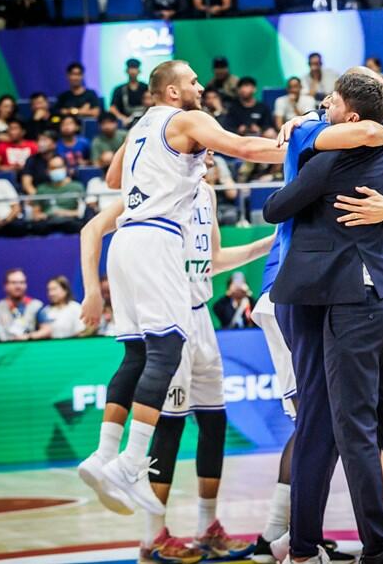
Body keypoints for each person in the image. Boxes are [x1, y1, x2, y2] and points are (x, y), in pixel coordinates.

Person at [264, 71, 383, 563]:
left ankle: (381, 545)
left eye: (333, 104)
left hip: (349, 308)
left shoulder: (328, 158)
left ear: (349, 116)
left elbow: (274, 207)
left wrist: (303, 172)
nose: (325, 108)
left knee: (352, 432)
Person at [80, 59, 286, 517]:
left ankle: (105, 455)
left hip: (127, 243)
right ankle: (130, 462)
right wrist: (299, 149)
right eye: (191, 81)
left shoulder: (141, 127)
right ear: (172, 92)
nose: (200, 86)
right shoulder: (187, 118)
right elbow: (244, 148)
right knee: (168, 347)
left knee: (137, 352)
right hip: (157, 239)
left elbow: (115, 180)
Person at [247, 69, 383, 561]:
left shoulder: (333, 134)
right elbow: (364, 132)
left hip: (326, 287)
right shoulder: (312, 130)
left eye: (333, 98)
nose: (325, 101)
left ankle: (298, 541)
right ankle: (292, 539)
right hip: (298, 284)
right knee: (320, 416)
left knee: (322, 418)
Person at [79, 184, 274, 561]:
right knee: (169, 425)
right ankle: (152, 538)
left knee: (214, 422)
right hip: (168, 315)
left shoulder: (207, 193)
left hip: (201, 314)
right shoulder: (154, 184)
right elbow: (91, 230)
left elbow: (213, 259)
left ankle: (207, 528)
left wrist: (269, 243)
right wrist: (92, 291)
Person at [0, 269, 45, 342]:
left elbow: (47, 330)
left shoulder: (36, 305)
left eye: (22, 282)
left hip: (29, 348)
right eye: (14, 283)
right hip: (5, 349)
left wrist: (29, 336)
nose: (18, 286)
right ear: (5, 286)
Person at [31, 155, 86, 235]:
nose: (56, 170)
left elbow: (80, 212)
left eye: (59, 167)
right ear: (47, 171)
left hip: (69, 220)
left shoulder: (77, 187)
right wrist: (43, 215)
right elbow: (35, 213)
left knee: (79, 225)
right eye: (53, 168)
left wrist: (63, 212)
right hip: (48, 221)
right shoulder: (41, 189)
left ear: (65, 168)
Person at [110, 58, 147, 125]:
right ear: (126, 71)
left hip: (145, 121)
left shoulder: (146, 88)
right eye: (131, 68)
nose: (133, 71)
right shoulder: (119, 89)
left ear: (139, 71)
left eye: (135, 68)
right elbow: (113, 108)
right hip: (125, 123)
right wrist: (122, 118)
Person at [21, 130, 58, 195]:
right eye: (39, 140)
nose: (40, 143)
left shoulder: (59, 159)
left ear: (54, 144)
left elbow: (66, 181)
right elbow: (26, 184)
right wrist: (38, 199)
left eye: (44, 140)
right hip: (37, 196)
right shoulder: (31, 160)